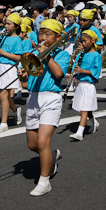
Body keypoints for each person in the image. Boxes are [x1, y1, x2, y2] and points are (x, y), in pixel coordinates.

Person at [22, 19, 68, 196]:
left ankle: (44, 181)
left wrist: (47, 55)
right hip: (33, 97)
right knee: (32, 145)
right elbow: (26, 81)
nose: (43, 37)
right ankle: (51, 157)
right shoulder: (34, 52)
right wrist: (23, 74)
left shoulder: (62, 54)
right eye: (41, 33)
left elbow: (58, 74)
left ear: (58, 37)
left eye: (48, 34)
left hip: (51, 98)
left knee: (42, 142)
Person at [67, 30, 102, 141]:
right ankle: (94, 122)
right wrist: (73, 75)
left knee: (84, 109)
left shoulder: (96, 55)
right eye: (81, 41)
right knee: (85, 108)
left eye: (85, 41)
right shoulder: (81, 54)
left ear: (92, 41)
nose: (83, 44)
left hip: (88, 84)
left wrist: (82, 70)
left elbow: (96, 72)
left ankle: (80, 132)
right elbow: (75, 67)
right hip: (80, 84)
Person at [0, 13, 23, 132]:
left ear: (15, 26)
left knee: (3, 95)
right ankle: (16, 111)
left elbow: (19, 57)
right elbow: (0, 51)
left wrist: (2, 52)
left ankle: (4, 123)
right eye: (6, 23)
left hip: (9, 68)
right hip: (0, 66)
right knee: (5, 95)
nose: (6, 26)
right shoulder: (3, 37)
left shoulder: (17, 40)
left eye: (9, 24)